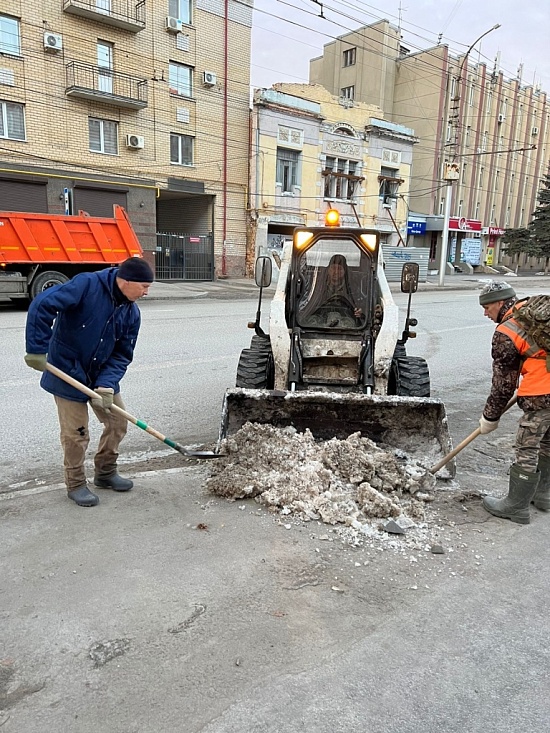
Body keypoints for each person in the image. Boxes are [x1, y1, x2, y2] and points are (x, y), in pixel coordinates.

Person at [24, 257, 155, 507]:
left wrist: (107, 384)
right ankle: (75, 484)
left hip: (100, 374)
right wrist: (36, 349)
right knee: (76, 434)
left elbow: (121, 355)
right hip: (66, 372)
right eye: (144, 287)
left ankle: (105, 473)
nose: (146, 293)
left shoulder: (131, 313)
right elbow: (43, 305)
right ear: (125, 281)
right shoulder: (86, 285)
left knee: (118, 423)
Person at [478, 280, 550, 524]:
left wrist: (490, 417)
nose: (485, 313)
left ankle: (516, 507)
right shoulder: (534, 312)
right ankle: (544, 497)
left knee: (527, 447)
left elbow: (503, 385)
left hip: (541, 393)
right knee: (548, 442)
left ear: (500, 303)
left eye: (487, 307)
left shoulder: (507, 331)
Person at [299, 254, 363, 328]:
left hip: (345, 324)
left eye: (339, 269)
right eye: (333, 268)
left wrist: (360, 312)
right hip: (320, 321)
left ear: (345, 271)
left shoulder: (353, 289)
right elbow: (306, 303)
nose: (336, 272)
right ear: (328, 270)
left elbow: (361, 306)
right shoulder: (316, 287)